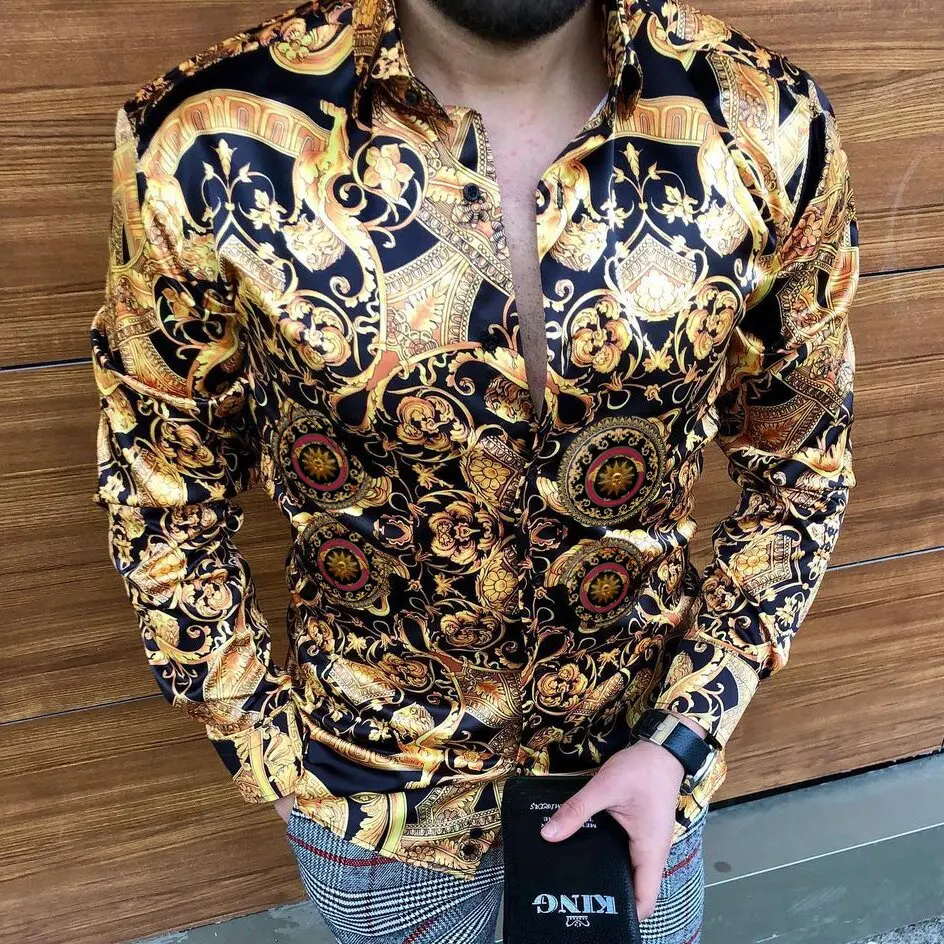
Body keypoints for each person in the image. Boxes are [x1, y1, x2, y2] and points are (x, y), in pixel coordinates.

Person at [88, 0, 859, 940]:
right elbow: (163, 493)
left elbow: (801, 470)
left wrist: (684, 736)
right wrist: (269, 749)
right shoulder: (205, 142)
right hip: (366, 802)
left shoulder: (767, 127)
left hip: (643, 774)